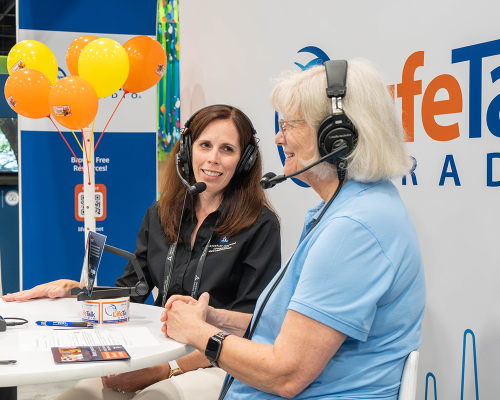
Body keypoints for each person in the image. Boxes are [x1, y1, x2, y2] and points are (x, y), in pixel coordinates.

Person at [160, 59, 426, 400]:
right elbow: (296, 333)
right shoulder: (353, 207)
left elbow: (285, 374)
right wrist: (217, 319)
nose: (278, 136)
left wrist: (198, 333)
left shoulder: (354, 229)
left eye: (290, 125)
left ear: (337, 137)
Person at [2, 105, 281, 399]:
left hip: (219, 362)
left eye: (227, 149)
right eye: (205, 145)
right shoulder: (161, 214)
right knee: (78, 396)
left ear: (245, 161)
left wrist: (166, 369)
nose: (213, 159)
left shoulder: (260, 225)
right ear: (187, 151)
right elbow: (132, 293)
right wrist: (77, 291)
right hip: (158, 349)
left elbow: (252, 326)